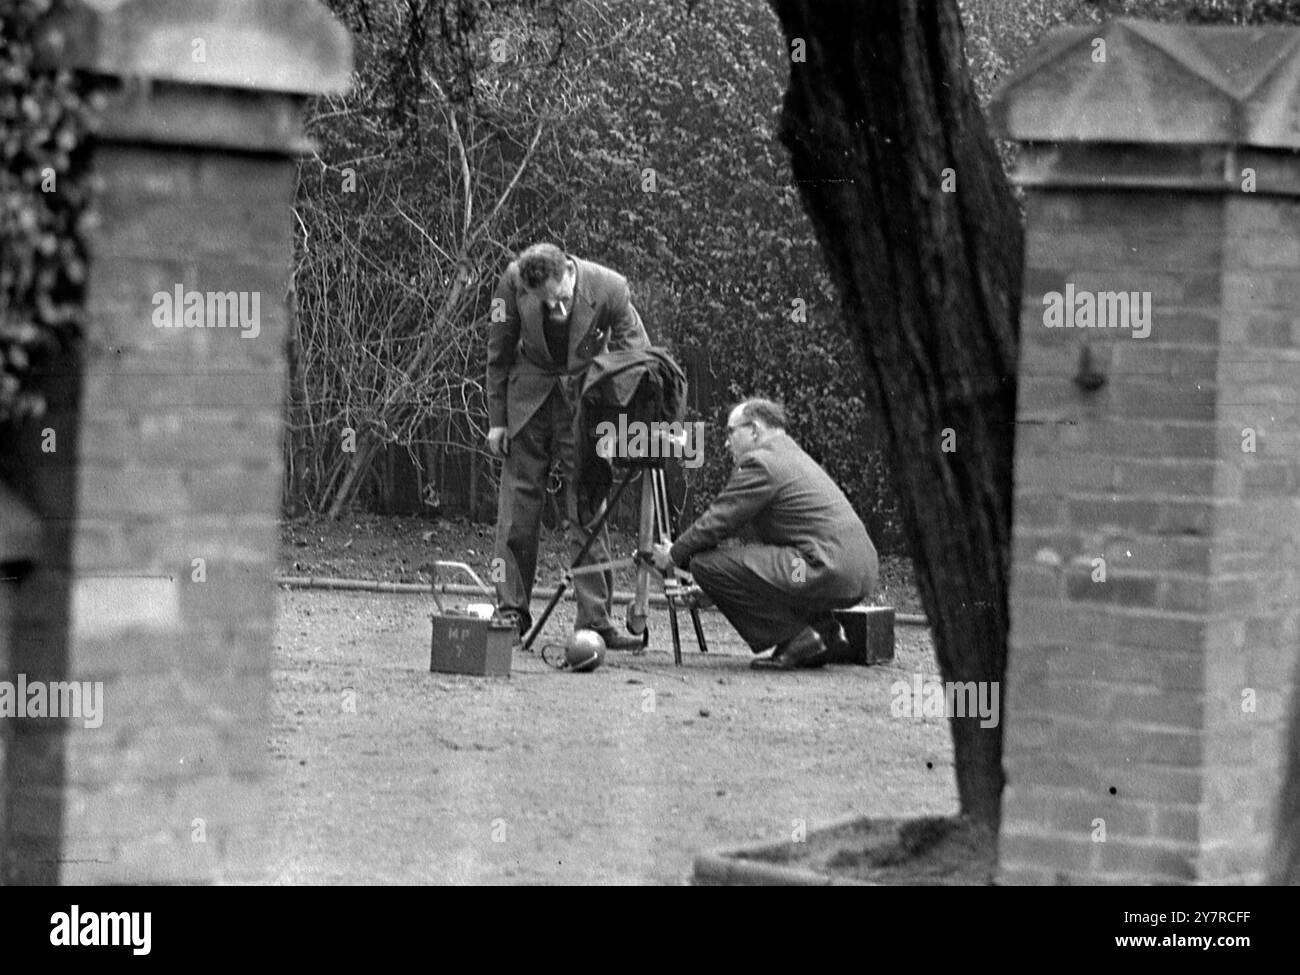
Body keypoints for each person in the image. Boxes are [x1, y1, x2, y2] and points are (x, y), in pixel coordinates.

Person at [486, 243, 648, 650]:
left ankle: (595, 620)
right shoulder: (510, 282)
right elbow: (498, 350)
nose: (556, 310)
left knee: (587, 506)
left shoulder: (611, 288)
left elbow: (636, 355)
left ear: (570, 273)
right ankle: (510, 612)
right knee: (516, 511)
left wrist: (626, 420)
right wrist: (497, 420)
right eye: (545, 303)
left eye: (561, 299)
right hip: (528, 401)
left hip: (584, 400)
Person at [651, 399, 878, 670]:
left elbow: (717, 521)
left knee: (706, 565)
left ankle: (798, 639)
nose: (726, 443)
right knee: (753, 567)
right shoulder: (792, 455)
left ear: (754, 430)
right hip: (857, 572)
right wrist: (719, 588)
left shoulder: (762, 463)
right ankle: (825, 631)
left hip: (818, 568)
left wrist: (673, 555)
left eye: (730, 432)